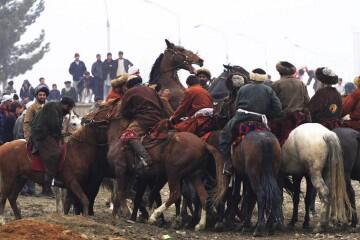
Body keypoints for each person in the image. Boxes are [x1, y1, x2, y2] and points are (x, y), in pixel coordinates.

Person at [219, 68, 282, 176]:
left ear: (251, 77)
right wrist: (267, 115)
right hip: (260, 119)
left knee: (224, 135)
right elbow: (278, 108)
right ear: (264, 78)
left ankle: (228, 163)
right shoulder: (269, 90)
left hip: (241, 117)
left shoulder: (243, 88)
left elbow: (236, 105)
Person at [30, 97, 75, 195]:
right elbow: (54, 125)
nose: (69, 110)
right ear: (66, 105)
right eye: (69, 108)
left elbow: (56, 127)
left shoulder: (57, 109)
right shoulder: (52, 107)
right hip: (41, 134)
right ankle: (47, 185)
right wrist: (60, 135)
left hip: (48, 133)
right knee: (55, 154)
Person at [119, 75, 165, 172]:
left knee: (127, 135)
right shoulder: (151, 90)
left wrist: (131, 114)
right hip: (159, 119)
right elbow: (161, 105)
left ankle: (146, 158)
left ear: (129, 84)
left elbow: (123, 112)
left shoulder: (130, 92)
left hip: (144, 120)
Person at [271, 61, 310, 145]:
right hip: (299, 120)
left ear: (279, 72)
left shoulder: (276, 84)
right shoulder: (301, 83)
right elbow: (307, 102)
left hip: (283, 121)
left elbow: (272, 104)